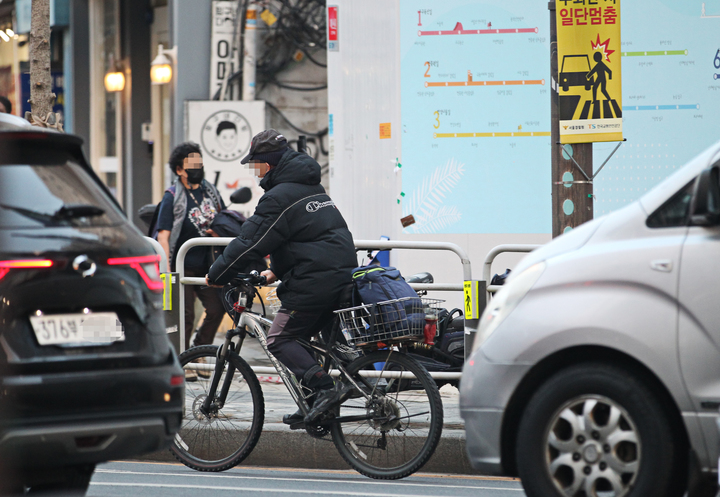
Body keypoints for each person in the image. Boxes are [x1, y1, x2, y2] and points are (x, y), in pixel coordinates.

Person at [206, 129, 358, 425]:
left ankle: (325, 390)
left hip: (316, 279)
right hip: (339, 271)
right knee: (300, 338)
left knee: (278, 339)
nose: (254, 170)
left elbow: (250, 241)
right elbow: (302, 236)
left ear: (270, 163)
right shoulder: (310, 187)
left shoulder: (279, 197)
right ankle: (314, 405)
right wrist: (276, 270)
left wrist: (217, 274)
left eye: (257, 164)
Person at [157, 142, 226, 354]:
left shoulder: (210, 192)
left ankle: (198, 351)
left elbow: (223, 218)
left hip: (209, 265)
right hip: (181, 267)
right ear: (179, 170)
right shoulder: (172, 197)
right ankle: (184, 359)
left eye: (200, 164)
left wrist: (219, 232)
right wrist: (167, 270)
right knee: (184, 317)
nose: (198, 169)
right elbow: (163, 236)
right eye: (192, 165)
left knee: (217, 308)